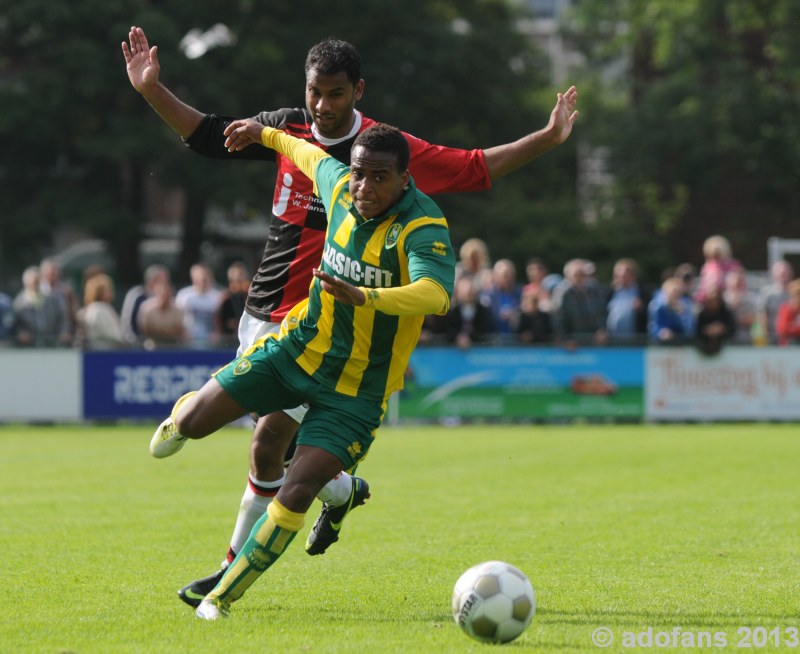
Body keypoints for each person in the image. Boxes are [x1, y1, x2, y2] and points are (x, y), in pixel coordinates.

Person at [122, 26, 579, 604]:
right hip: (262, 307)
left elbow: (475, 167)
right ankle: (338, 492)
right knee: (268, 445)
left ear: (357, 91)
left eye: (336, 93)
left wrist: (546, 136)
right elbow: (210, 136)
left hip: (319, 319)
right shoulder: (287, 128)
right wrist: (152, 91)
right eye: (316, 92)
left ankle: (228, 571)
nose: (323, 105)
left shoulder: (385, 155)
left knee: (268, 443)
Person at [149, 123, 458, 620]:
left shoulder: (423, 226)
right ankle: (182, 421)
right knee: (193, 423)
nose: (365, 187)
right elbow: (302, 149)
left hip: (358, 391)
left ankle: (220, 597)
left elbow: (435, 294)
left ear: (404, 179)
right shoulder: (337, 183)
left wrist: (367, 296)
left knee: (295, 484)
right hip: (296, 351)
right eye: (359, 175)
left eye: (380, 178)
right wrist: (261, 132)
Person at [550, 258, 608, 348]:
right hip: (572, 344)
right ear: (569, 275)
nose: (582, 277)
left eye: (584, 274)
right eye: (578, 274)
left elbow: (602, 313)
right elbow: (558, 319)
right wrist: (566, 338)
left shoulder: (595, 290)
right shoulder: (562, 292)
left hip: (594, 341)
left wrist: (601, 330)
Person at [12, 266, 66, 347]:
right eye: (33, 282)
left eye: (38, 281)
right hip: (29, 346)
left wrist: (63, 332)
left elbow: (61, 318)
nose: (35, 284)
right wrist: (21, 332)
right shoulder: (19, 303)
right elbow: (15, 325)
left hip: (51, 343)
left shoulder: (51, 299)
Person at [119, 264, 171, 346]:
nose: (166, 284)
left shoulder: (169, 297)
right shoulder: (137, 295)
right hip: (138, 348)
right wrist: (135, 344)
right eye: (163, 281)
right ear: (152, 282)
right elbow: (127, 323)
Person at [74, 273, 127, 350]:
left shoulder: (94, 308)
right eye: (109, 289)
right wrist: (125, 341)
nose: (112, 293)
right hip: (105, 352)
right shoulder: (99, 309)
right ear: (100, 292)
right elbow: (113, 334)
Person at [175, 262, 222, 347]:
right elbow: (178, 318)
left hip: (211, 342)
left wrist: (217, 333)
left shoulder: (217, 297)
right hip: (188, 340)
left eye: (205, 274)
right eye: (200, 275)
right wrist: (182, 333)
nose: (203, 278)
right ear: (193, 276)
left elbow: (218, 320)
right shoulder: (183, 295)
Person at [439, 275, 494, 348]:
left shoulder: (483, 311)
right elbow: (447, 330)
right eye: (464, 290)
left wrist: (470, 338)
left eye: (470, 290)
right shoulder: (452, 311)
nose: (468, 293)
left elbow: (484, 330)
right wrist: (458, 337)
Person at [605, 258, 650, 343]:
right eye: (618, 274)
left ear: (633, 274)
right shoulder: (610, 292)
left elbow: (650, 313)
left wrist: (641, 307)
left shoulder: (643, 291)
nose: (621, 276)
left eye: (625, 274)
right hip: (613, 339)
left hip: (636, 339)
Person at [137, 279, 187, 349]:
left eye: (167, 293)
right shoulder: (146, 308)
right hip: (152, 343)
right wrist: (165, 333)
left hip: (173, 343)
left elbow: (179, 330)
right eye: (162, 293)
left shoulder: (178, 309)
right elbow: (144, 330)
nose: (165, 296)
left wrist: (160, 332)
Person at [695, 235, 743, 303]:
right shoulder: (707, 267)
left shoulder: (733, 265)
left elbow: (739, 284)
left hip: (730, 298)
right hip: (711, 298)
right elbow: (704, 287)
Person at [648, 277, 696, 344]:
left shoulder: (686, 305)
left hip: (682, 345)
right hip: (660, 345)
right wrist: (661, 332)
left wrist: (682, 316)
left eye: (679, 292)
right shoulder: (657, 306)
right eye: (674, 292)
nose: (676, 295)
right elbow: (653, 327)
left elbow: (690, 330)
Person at [756, 259, 793, 344]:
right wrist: (764, 336)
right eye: (780, 273)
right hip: (771, 336)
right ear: (774, 275)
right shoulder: (767, 293)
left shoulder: (795, 292)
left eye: (785, 273)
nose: (783, 275)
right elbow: (762, 315)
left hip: (790, 337)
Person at [214, 261, 250, 349]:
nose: (239, 279)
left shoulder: (252, 295)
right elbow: (219, 322)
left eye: (241, 275)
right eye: (236, 278)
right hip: (230, 342)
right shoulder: (226, 299)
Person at [485, 258, 522, 341]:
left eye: (511, 275)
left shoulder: (521, 293)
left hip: (517, 343)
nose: (508, 278)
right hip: (493, 342)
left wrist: (516, 316)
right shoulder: (487, 296)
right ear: (495, 276)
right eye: (505, 275)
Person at [695, 287, 736, 355]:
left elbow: (733, 330)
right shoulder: (701, 314)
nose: (713, 303)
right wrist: (707, 331)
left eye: (715, 300)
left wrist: (722, 329)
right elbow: (696, 332)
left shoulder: (726, 313)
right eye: (710, 300)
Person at [775, 279, 800, 346]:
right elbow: (782, 329)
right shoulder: (786, 309)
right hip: (789, 345)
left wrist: (793, 327)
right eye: (797, 294)